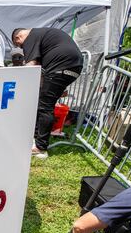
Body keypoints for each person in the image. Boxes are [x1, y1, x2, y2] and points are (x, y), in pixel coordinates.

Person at [12, 27, 83, 158]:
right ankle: (35, 138)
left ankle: (40, 147)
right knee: (44, 102)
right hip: (74, 67)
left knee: (45, 107)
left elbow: (31, 67)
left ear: (18, 38)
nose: (23, 48)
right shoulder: (44, 35)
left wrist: (20, 86)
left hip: (60, 67)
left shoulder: (31, 37)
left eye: (20, 46)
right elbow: (40, 71)